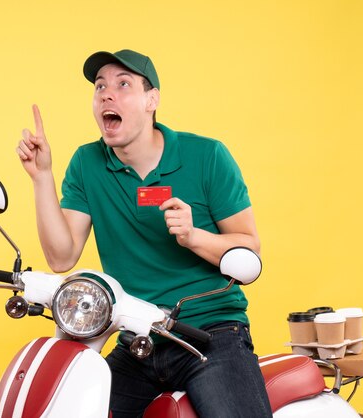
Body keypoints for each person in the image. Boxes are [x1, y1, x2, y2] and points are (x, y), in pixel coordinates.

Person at [16, 49, 272, 418]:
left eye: (123, 85)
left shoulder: (208, 156)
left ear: (152, 100)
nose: (107, 94)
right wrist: (42, 177)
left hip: (210, 333)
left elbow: (249, 247)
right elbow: (61, 256)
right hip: (138, 337)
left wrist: (193, 236)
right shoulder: (87, 163)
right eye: (100, 86)